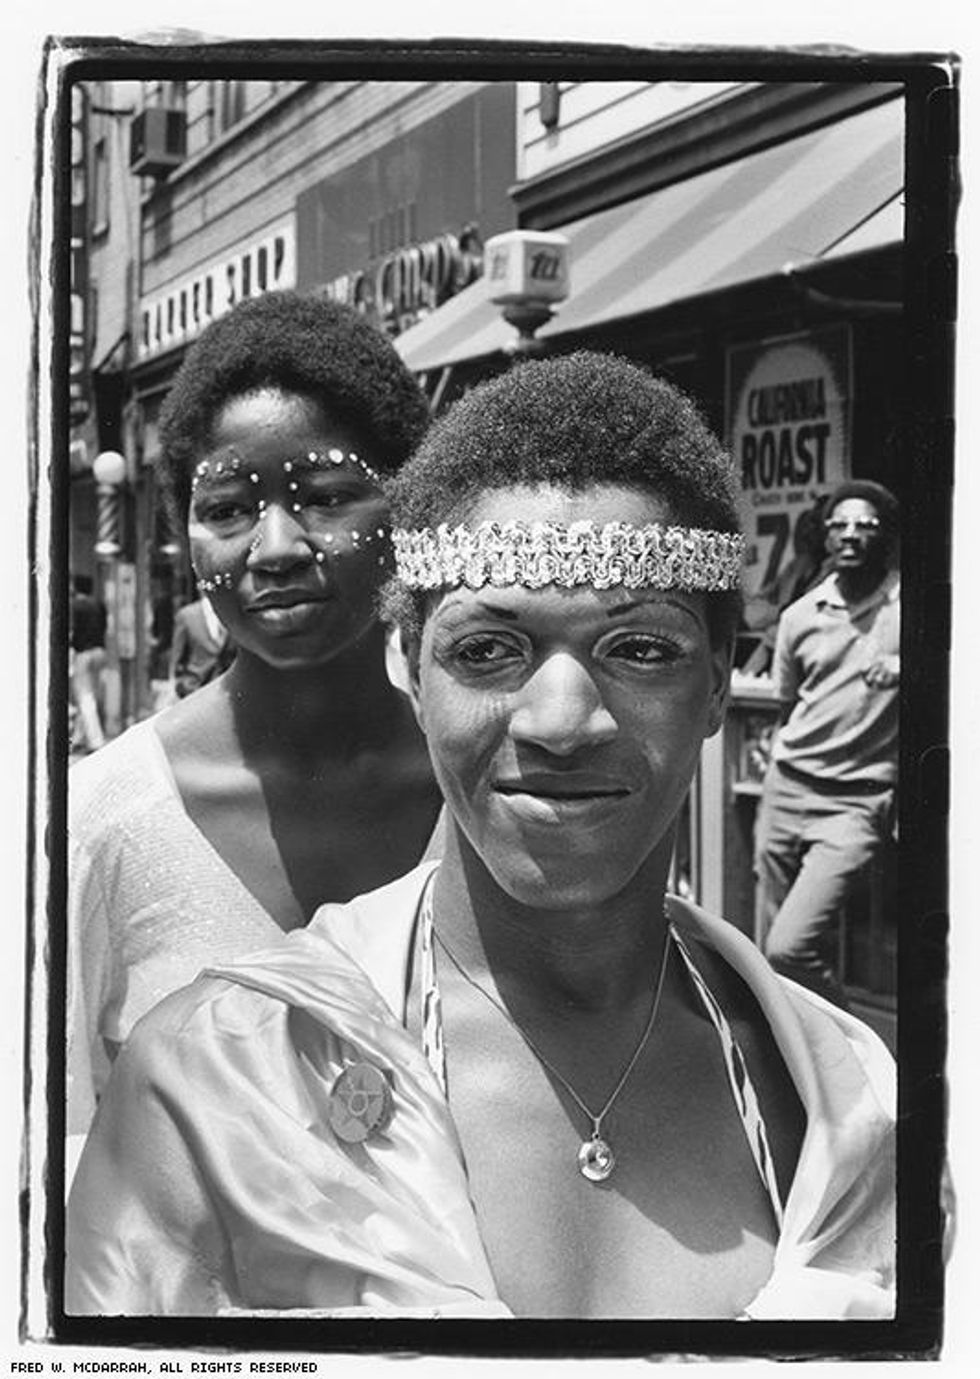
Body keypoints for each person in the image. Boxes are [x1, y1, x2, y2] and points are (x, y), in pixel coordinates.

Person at [67, 354, 894, 1321]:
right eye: (486, 649)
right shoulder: (216, 1076)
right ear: (408, 669)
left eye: (639, 649)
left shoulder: (846, 1095)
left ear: (717, 685)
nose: (560, 718)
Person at [67, 291, 443, 1163]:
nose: (274, 547)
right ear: (186, 537)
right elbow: (60, 1152)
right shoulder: (100, 822)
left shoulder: (483, 793)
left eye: (326, 496)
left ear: (405, 513)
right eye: (228, 508)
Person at [754, 480, 900, 1008]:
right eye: (841, 525)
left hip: (855, 802)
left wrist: (913, 672)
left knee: (788, 947)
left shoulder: (913, 610)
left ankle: (841, 1040)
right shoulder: (800, 614)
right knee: (766, 955)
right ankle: (794, 1050)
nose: (852, 535)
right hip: (786, 788)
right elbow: (787, 703)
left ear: (883, 537)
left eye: (866, 526)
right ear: (826, 536)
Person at [69, 574, 108, 753]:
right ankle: (77, 738)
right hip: (100, 652)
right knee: (90, 695)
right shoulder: (99, 604)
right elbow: (105, 627)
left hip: (83, 653)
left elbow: (71, 631)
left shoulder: (74, 605)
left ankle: (95, 740)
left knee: (85, 697)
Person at [168, 594, 235, 698]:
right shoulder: (186, 615)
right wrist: (175, 684)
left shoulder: (232, 613)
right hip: (194, 688)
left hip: (225, 689)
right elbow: (177, 655)